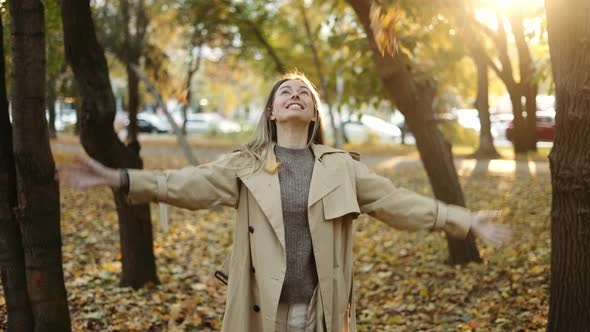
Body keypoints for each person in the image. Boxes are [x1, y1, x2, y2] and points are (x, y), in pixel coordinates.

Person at [58, 71, 512, 332]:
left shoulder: (341, 167)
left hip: (322, 312)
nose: (294, 97)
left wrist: (465, 220)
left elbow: (397, 202)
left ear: (313, 113)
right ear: (273, 113)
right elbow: (182, 183)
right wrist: (117, 176)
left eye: (304, 94)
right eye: (285, 93)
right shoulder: (245, 164)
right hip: (261, 313)